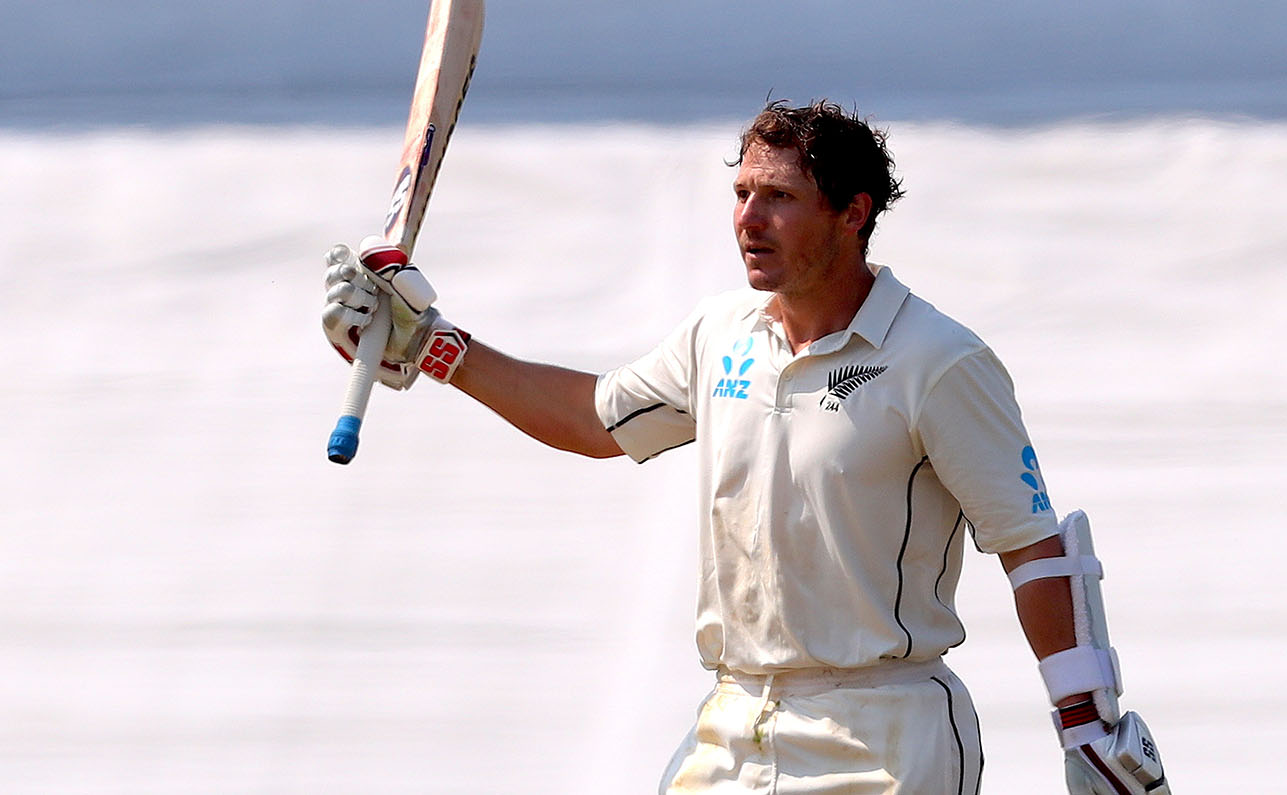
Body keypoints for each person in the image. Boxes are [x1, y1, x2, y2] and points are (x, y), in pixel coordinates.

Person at [322, 100, 1170, 795]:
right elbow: (593, 419)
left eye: (779, 197)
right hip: (734, 725)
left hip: (885, 735)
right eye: (741, 193)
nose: (748, 220)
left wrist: (1086, 725)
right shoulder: (720, 332)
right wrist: (437, 347)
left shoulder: (940, 361)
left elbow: (1034, 548)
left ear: (852, 214)